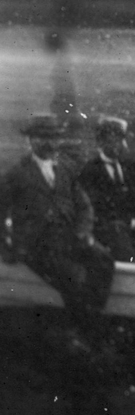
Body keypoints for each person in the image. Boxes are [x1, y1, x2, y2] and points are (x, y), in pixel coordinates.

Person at [0, 113, 113, 324]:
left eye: (53, 137)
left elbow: (84, 206)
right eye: (42, 137)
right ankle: (81, 328)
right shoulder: (16, 173)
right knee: (74, 276)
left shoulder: (66, 169)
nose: (49, 143)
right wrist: (5, 247)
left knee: (103, 260)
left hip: (68, 237)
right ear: (30, 140)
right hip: (35, 244)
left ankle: (91, 320)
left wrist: (83, 232)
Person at [79, 117, 135, 265]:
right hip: (106, 228)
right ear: (101, 143)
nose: (120, 146)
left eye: (121, 140)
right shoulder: (91, 171)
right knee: (119, 235)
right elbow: (98, 208)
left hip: (131, 229)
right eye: (113, 141)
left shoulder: (129, 167)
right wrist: (131, 222)